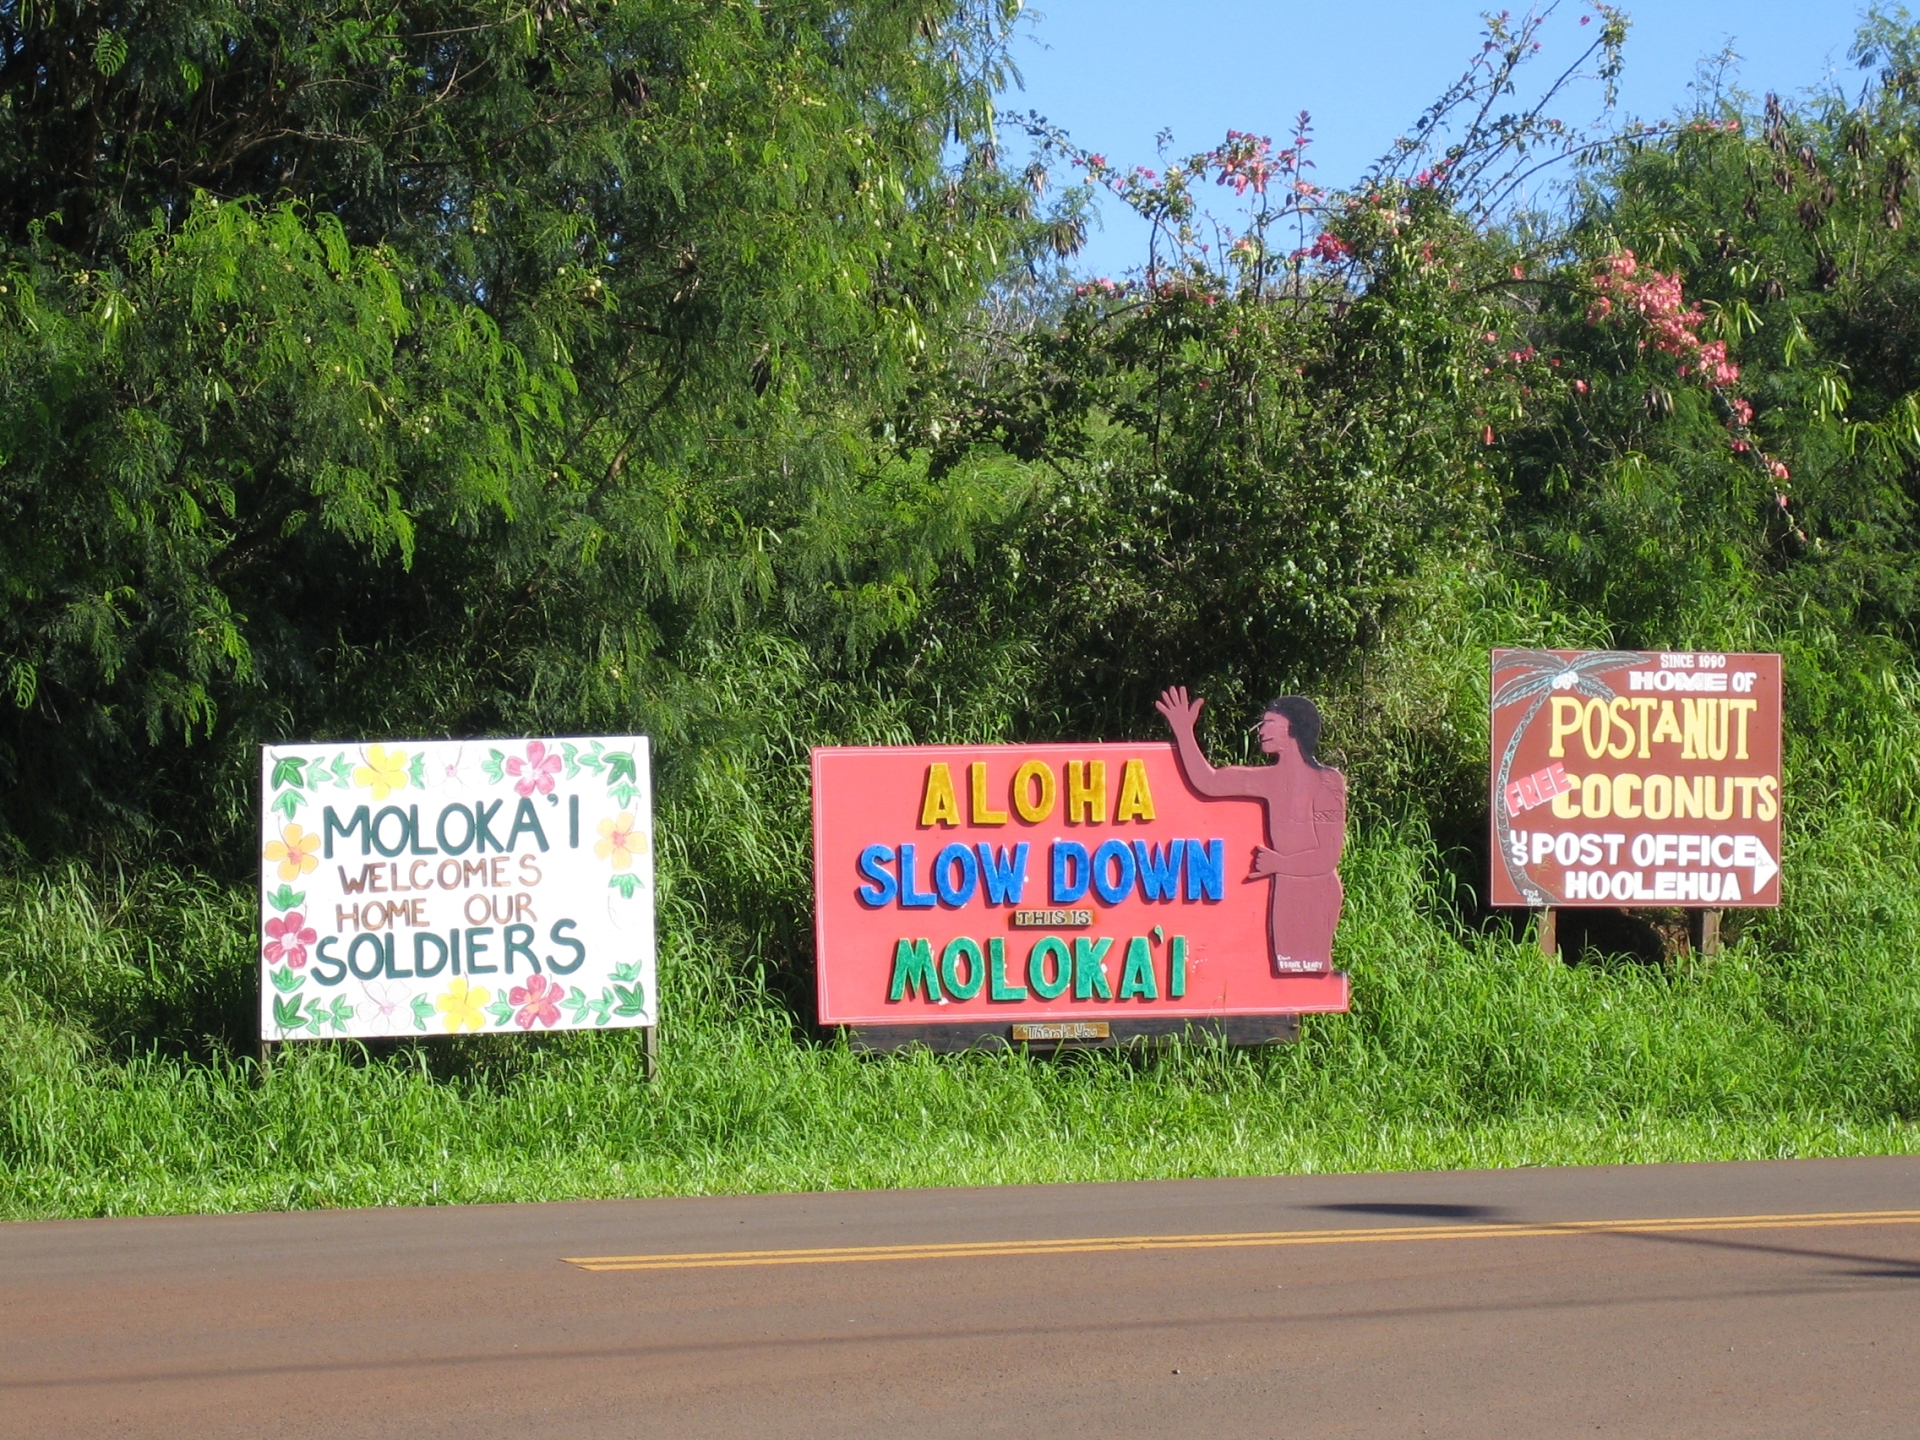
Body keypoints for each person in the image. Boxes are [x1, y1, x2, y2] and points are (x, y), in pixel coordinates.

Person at [1155, 686, 1346, 976]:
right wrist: (1183, 731)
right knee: (1285, 975)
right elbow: (1209, 782)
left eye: (1270, 723)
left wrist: (1280, 863)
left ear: (1293, 729)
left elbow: (1327, 857)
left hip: (1315, 892)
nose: (1261, 730)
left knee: (1308, 975)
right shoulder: (1269, 779)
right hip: (1285, 891)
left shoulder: (1327, 782)